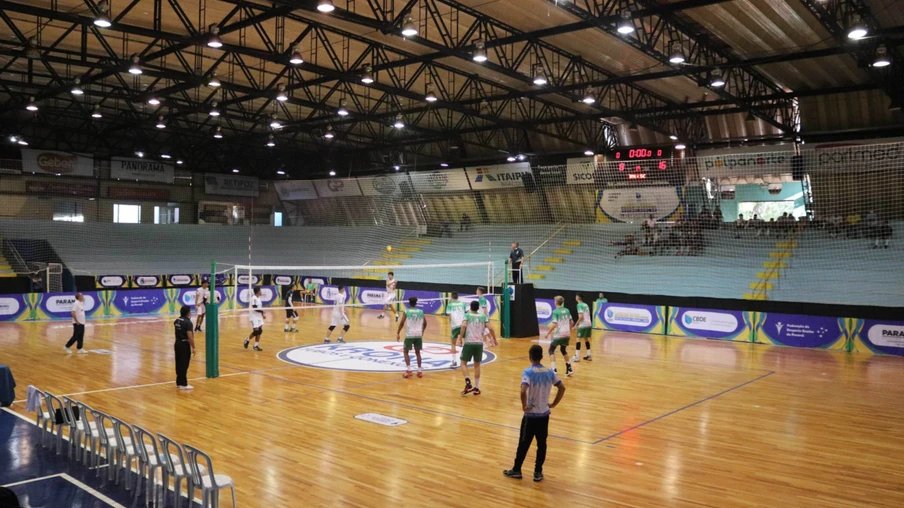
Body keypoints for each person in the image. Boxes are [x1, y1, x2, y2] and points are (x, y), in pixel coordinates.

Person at [503, 344, 566, 482]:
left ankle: (517, 469)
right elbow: (562, 387)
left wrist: (524, 405)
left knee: (523, 443)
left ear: (530, 357)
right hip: (544, 414)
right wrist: (554, 404)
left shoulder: (528, 372)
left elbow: (523, 390)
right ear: (542, 357)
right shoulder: (550, 372)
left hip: (531, 416)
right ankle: (538, 472)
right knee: (542, 444)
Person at [458, 300, 497, 395]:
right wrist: (494, 339)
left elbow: (463, 326)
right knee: (477, 365)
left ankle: (467, 381)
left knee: (463, 363)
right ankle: (476, 387)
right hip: (479, 343)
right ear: (478, 308)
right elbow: (490, 328)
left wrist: (460, 338)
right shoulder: (483, 316)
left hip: (469, 343)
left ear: (470, 307)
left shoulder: (467, 315)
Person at [396, 296, 426, 378]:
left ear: (409, 303)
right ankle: (419, 371)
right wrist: (422, 331)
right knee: (418, 353)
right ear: (416, 303)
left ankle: (409, 370)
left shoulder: (406, 311)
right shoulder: (421, 311)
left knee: (406, 352)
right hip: (418, 334)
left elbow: (402, 323)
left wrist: (398, 333)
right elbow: (425, 323)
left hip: (409, 335)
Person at [545, 296, 573, 377]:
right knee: (563, 350)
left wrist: (547, 333)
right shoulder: (567, 310)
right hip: (567, 334)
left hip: (559, 334)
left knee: (551, 350)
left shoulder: (555, 312)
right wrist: (569, 330)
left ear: (556, 302)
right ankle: (569, 368)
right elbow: (572, 322)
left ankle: (554, 369)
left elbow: (554, 324)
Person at [173, 305, 196, 390]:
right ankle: (183, 383)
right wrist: (193, 347)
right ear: (188, 312)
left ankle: (179, 382)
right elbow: (190, 336)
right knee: (184, 364)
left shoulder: (177, 321)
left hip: (177, 343)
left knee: (178, 363)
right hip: (184, 344)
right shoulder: (188, 323)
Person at [445, 292, 468, 369]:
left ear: (451, 297)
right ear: (458, 297)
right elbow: (466, 314)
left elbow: (450, 316)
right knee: (466, 342)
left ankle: (454, 361)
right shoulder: (462, 304)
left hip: (455, 325)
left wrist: (451, 325)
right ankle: (465, 360)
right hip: (463, 324)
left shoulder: (450, 305)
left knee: (453, 344)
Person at [572, 294, 592, 362]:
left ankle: (577, 356)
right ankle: (589, 355)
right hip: (589, 323)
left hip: (583, 324)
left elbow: (581, 316)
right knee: (586, 339)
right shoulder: (585, 304)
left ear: (577, 297)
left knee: (578, 339)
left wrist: (576, 325)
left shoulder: (579, 305)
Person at [243, 287, 265, 351]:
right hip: (254, 316)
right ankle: (247, 339)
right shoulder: (254, 298)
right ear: (258, 291)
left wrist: (262, 314)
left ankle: (256, 345)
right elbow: (255, 307)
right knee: (256, 331)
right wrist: (262, 312)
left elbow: (259, 307)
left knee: (260, 331)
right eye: (260, 290)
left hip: (259, 316)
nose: (261, 291)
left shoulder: (259, 298)